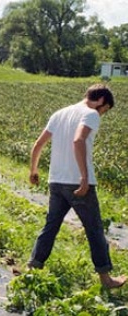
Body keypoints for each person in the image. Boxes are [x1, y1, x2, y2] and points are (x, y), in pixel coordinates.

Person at [28, 83, 126, 289]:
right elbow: (78, 140)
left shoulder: (60, 113)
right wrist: (84, 177)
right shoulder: (91, 114)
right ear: (100, 101)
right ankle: (106, 279)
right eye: (105, 109)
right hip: (77, 182)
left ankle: (32, 269)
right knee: (94, 230)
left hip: (55, 180)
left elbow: (38, 144)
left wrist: (33, 170)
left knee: (51, 226)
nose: (103, 114)